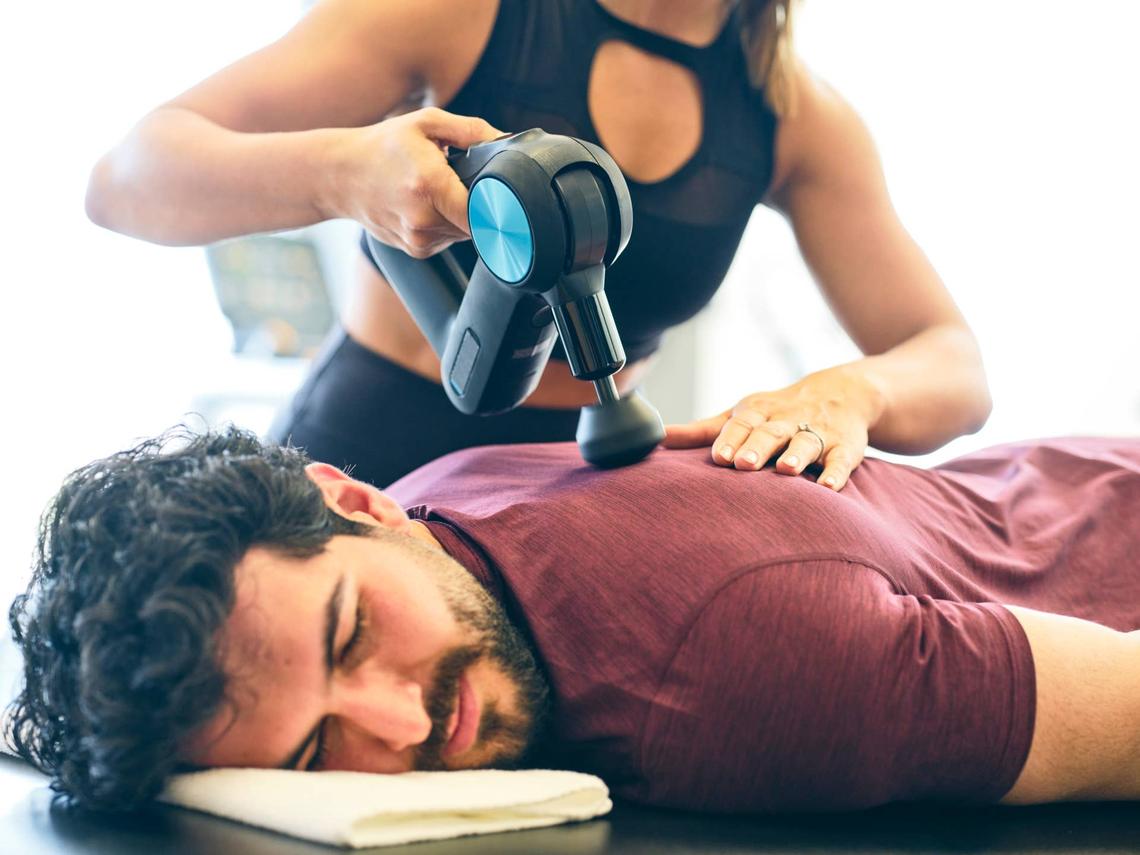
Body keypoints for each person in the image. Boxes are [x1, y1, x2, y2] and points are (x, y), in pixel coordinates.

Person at [84, 0, 993, 488]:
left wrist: (847, 392)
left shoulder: (795, 115)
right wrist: (340, 174)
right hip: (364, 461)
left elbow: (954, 365)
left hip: (578, 504)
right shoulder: (461, 10)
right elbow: (125, 181)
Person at [7, 425, 1140, 814]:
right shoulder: (443, 495)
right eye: (314, 754)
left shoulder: (724, 679)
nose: (398, 730)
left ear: (352, 500)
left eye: (351, 636)